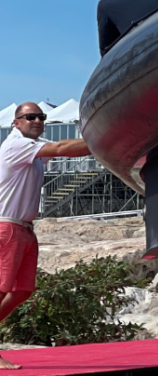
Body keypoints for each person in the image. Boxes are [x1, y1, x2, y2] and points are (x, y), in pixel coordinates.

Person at [0, 104, 91, 357]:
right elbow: (62, 149)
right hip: (7, 226)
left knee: (23, 291)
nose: (37, 120)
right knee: (2, 289)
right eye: (30, 117)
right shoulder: (16, 145)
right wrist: (104, 139)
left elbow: (67, 150)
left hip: (25, 228)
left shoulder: (34, 147)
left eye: (42, 117)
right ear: (16, 122)